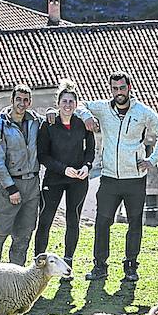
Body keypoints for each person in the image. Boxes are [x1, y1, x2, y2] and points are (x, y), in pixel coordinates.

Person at [74, 71, 158, 283]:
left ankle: (131, 267)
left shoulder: (142, 112)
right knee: (102, 222)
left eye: (122, 88)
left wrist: (152, 159)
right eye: (115, 89)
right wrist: (87, 116)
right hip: (109, 177)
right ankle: (100, 267)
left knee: (135, 223)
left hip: (134, 178)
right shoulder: (103, 108)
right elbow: (79, 103)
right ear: (111, 90)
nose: (119, 92)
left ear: (129, 88)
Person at [33, 79, 94, 273]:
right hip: (55, 178)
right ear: (58, 103)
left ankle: (68, 261)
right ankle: (39, 261)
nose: (67, 105)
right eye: (64, 101)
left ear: (76, 105)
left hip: (78, 179)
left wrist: (87, 166)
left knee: (72, 219)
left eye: (71, 102)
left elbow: (90, 150)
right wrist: (63, 169)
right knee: (45, 218)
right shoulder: (49, 124)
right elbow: (42, 155)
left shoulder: (82, 124)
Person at [0, 83, 41, 265]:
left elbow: (55, 119)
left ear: (30, 102)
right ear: (12, 100)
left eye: (25, 100)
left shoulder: (35, 121)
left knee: (24, 235)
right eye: (18, 99)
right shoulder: (0, 127)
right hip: (11, 185)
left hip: (32, 184)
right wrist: (11, 188)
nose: (21, 104)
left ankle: (16, 277)